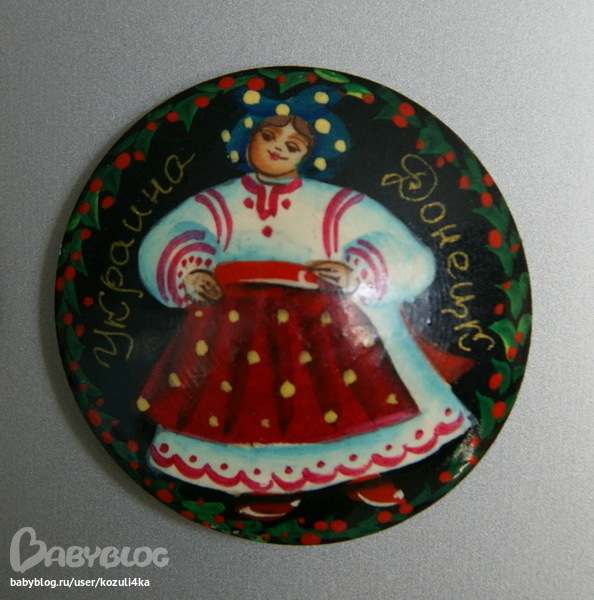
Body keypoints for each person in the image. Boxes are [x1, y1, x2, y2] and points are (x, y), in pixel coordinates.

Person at [136, 114, 473, 517]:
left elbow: (404, 252)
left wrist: (356, 272)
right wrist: (190, 271)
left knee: (351, 406)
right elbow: (170, 236)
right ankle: (269, 488)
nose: (278, 148)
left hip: (320, 324)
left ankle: (366, 473)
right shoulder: (216, 203)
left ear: (307, 156)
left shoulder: (333, 203)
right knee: (251, 414)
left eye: (292, 146)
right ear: (247, 140)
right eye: (269, 137)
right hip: (237, 329)